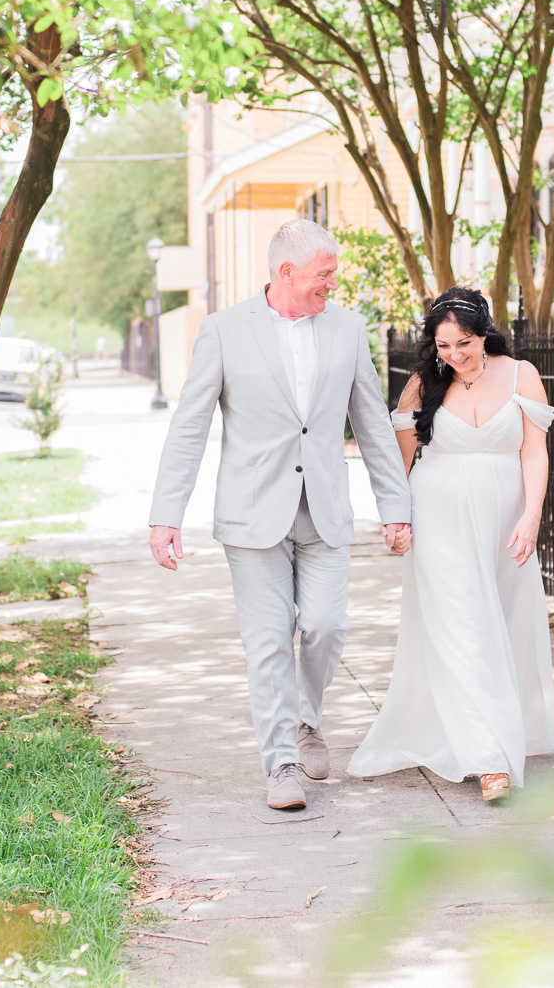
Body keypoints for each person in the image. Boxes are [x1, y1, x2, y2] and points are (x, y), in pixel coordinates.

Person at [148, 218, 412, 812]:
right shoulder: (223, 332)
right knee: (267, 642)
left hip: (325, 512)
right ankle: (282, 764)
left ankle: (305, 719)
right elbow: (189, 425)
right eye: (325, 273)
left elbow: (370, 422)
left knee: (325, 625)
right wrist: (166, 515)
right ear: (286, 272)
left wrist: (395, 507)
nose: (333, 283)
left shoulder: (346, 329)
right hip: (252, 513)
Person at [348, 286, 554, 802]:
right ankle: (491, 760)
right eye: (444, 346)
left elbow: (535, 453)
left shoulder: (521, 375)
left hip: (503, 521)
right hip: (440, 520)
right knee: (465, 628)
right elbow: (399, 462)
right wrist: (395, 520)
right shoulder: (424, 385)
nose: (455, 355)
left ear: (484, 333)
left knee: (501, 625)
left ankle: (482, 731)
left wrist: (531, 518)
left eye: (464, 343)